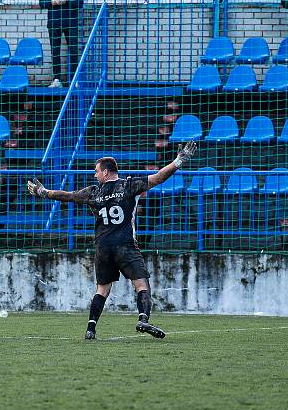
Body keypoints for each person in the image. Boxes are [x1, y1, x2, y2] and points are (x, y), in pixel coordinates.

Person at [27, 141, 198, 340]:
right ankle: (143, 319)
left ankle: (91, 329)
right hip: (125, 244)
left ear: (106, 172)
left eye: (96, 171)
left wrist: (43, 192)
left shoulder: (93, 192)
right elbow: (159, 177)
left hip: (102, 247)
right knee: (141, 285)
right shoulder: (129, 185)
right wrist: (179, 161)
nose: (95, 175)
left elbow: (68, 196)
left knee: (102, 289)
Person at [39, 0, 83, 88]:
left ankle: (75, 80)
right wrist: (52, 2)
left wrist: (66, 2)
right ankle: (57, 79)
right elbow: (41, 3)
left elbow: (80, 3)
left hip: (71, 23)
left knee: (74, 50)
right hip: (54, 23)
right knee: (55, 51)